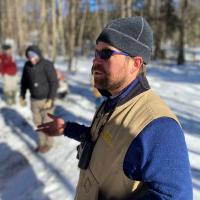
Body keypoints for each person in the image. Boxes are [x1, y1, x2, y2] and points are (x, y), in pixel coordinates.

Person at [37, 16, 193, 199]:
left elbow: (174, 196)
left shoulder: (159, 126)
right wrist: (67, 129)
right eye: (96, 53)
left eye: (106, 54)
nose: (95, 61)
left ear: (135, 64)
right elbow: (104, 142)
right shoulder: (112, 101)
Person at [20, 45, 58, 153]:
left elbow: (54, 82)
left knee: (47, 123)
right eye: (29, 57)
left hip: (46, 100)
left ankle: (49, 143)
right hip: (34, 101)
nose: (31, 59)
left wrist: (51, 99)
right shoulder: (27, 66)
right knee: (38, 124)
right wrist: (22, 95)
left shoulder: (47, 64)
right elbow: (24, 82)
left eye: (33, 56)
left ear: (38, 55)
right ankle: (42, 143)